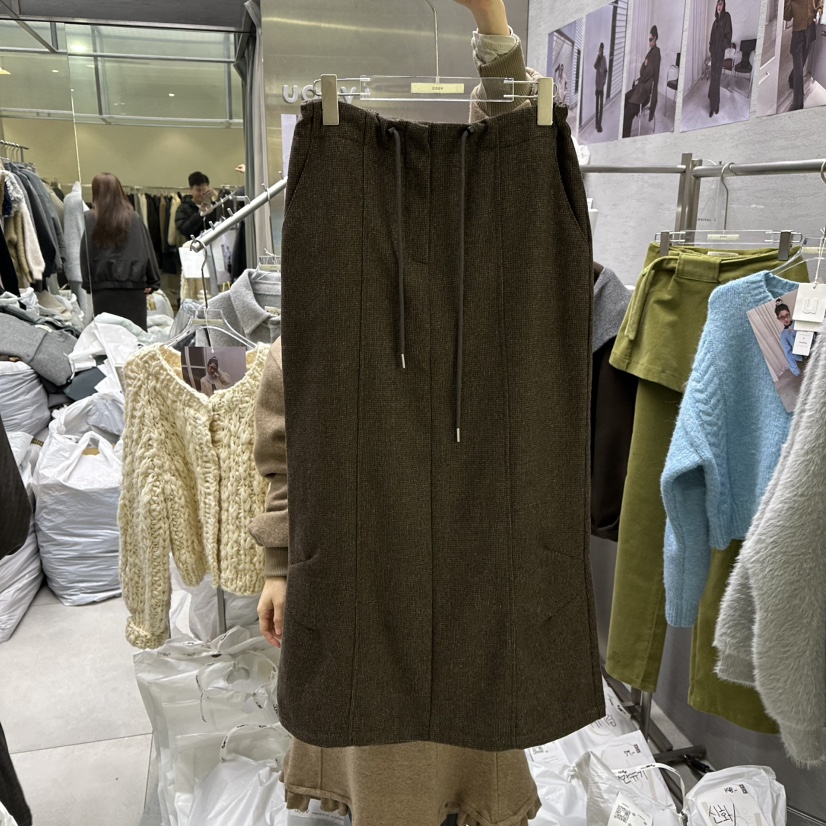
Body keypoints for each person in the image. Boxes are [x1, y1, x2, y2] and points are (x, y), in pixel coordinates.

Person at [80, 172, 160, 331]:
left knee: (108, 337)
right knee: (135, 336)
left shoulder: (89, 218)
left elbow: (85, 253)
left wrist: (89, 283)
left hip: (103, 291)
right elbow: (146, 250)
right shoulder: (134, 218)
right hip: (133, 289)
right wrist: (153, 281)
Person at [622, 25, 661, 137]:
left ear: (655, 38)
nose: (649, 42)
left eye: (650, 39)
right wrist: (644, 66)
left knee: (627, 114)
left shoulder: (656, 53)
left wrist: (645, 66)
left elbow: (645, 73)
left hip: (644, 93)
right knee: (624, 99)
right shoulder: (650, 52)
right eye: (648, 39)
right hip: (640, 87)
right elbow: (641, 71)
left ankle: (625, 138)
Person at [785, 0, 823, 110]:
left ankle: (791, 78)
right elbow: (787, 17)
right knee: (799, 72)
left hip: (810, 29)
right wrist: (788, 3)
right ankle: (798, 105)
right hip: (798, 33)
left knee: (801, 64)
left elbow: (819, 2)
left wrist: (818, 12)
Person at [175, 171, 219, 241]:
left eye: (204, 190)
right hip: (194, 244)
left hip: (216, 243)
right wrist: (199, 214)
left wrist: (218, 197)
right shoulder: (183, 208)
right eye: (198, 190)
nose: (201, 193)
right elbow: (183, 230)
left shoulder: (214, 205)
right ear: (191, 189)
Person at [708, 0, 733, 118]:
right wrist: (711, 48)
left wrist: (721, 47)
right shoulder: (715, 22)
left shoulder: (727, 17)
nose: (719, 6)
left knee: (716, 79)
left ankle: (714, 105)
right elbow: (711, 38)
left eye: (721, 4)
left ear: (724, 6)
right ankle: (711, 99)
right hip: (714, 54)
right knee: (713, 77)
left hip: (719, 54)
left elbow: (729, 36)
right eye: (718, 4)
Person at [775, 301, 804, 376]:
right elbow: (788, 353)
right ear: (778, 318)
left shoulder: (798, 323)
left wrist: (796, 331)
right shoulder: (783, 335)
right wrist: (794, 369)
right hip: (801, 360)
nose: (785, 319)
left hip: (811, 351)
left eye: (787, 315)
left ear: (789, 313)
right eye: (782, 317)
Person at [594, 42, 608, 132]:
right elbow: (595, 66)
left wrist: (604, 82)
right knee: (596, 106)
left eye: (601, 49)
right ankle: (596, 124)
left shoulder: (604, 59)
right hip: (597, 86)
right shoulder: (598, 58)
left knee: (601, 106)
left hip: (601, 86)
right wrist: (598, 57)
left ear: (603, 50)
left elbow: (606, 71)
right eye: (599, 49)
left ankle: (599, 125)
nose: (600, 51)